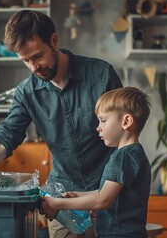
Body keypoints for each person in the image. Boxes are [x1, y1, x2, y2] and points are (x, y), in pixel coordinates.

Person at [0, 10, 122, 237]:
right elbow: (6, 137)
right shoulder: (27, 92)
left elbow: (125, 137)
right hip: (64, 199)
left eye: (37, 56)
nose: (33, 67)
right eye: (25, 61)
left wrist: (107, 192)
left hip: (111, 192)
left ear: (54, 40)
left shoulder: (101, 74)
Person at [39, 87, 152, 238]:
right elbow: (108, 192)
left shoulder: (123, 157)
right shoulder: (134, 153)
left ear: (126, 121)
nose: (98, 127)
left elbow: (103, 200)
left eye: (103, 120)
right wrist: (78, 195)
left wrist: (56, 204)